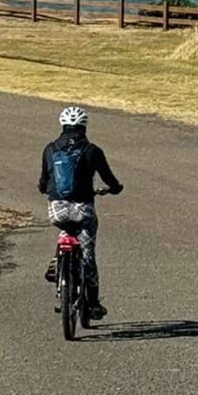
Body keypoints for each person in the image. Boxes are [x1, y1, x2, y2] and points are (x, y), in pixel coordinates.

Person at [40, 106, 123, 320]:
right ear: (84, 126)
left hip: (56, 209)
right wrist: (115, 188)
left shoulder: (50, 149)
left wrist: (46, 189)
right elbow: (109, 179)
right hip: (83, 208)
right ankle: (93, 303)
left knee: (65, 227)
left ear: (63, 125)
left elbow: (43, 181)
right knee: (88, 254)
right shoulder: (92, 151)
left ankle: (56, 261)